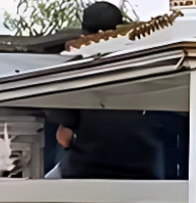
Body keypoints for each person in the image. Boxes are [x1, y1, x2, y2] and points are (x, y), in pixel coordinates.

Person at [44, 1, 163, 180]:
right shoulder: (147, 65)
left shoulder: (74, 71)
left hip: (86, 169)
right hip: (143, 170)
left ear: (85, 34)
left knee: (46, 183)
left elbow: (63, 137)